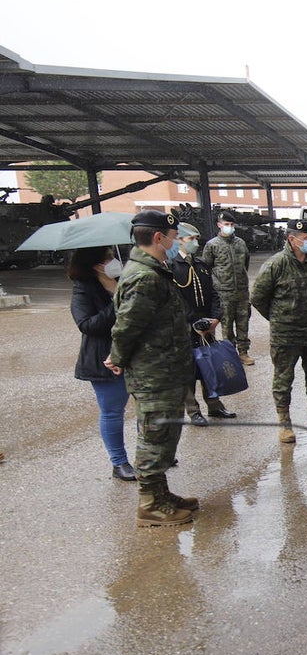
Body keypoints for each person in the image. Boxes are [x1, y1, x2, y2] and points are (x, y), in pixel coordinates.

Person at [105, 210, 197, 527]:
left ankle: (161, 495)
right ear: (159, 237)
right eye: (173, 237)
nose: (176, 242)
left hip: (165, 369)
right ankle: (149, 504)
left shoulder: (154, 271)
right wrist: (117, 357)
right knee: (154, 436)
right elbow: (127, 326)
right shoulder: (144, 277)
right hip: (154, 373)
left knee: (164, 433)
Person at [250, 219, 307, 444]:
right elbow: (258, 298)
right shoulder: (276, 264)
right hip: (286, 335)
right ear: (292, 239)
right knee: (283, 380)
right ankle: (284, 424)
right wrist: (279, 319)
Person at [69, 245, 134, 481]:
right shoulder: (83, 288)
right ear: (96, 264)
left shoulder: (124, 280)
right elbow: (87, 325)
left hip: (136, 354)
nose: (114, 261)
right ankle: (119, 462)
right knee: (113, 412)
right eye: (108, 258)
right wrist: (117, 301)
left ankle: (150, 454)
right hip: (104, 359)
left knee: (148, 407)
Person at [171, 222, 236, 425]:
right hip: (186, 326)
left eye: (196, 239)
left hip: (207, 324)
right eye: (190, 239)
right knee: (188, 371)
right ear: (179, 240)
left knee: (210, 365)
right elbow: (177, 300)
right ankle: (193, 411)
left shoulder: (200, 265)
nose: (195, 243)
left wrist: (216, 318)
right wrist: (194, 322)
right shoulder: (172, 267)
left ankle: (214, 405)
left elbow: (214, 293)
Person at [201, 210, 254, 365]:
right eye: (226, 224)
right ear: (219, 225)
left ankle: (243, 352)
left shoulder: (241, 243)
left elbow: (245, 264)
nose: (229, 227)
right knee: (227, 326)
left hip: (241, 292)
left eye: (231, 224)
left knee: (243, 324)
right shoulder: (212, 245)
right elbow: (206, 267)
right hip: (223, 293)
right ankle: (230, 354)